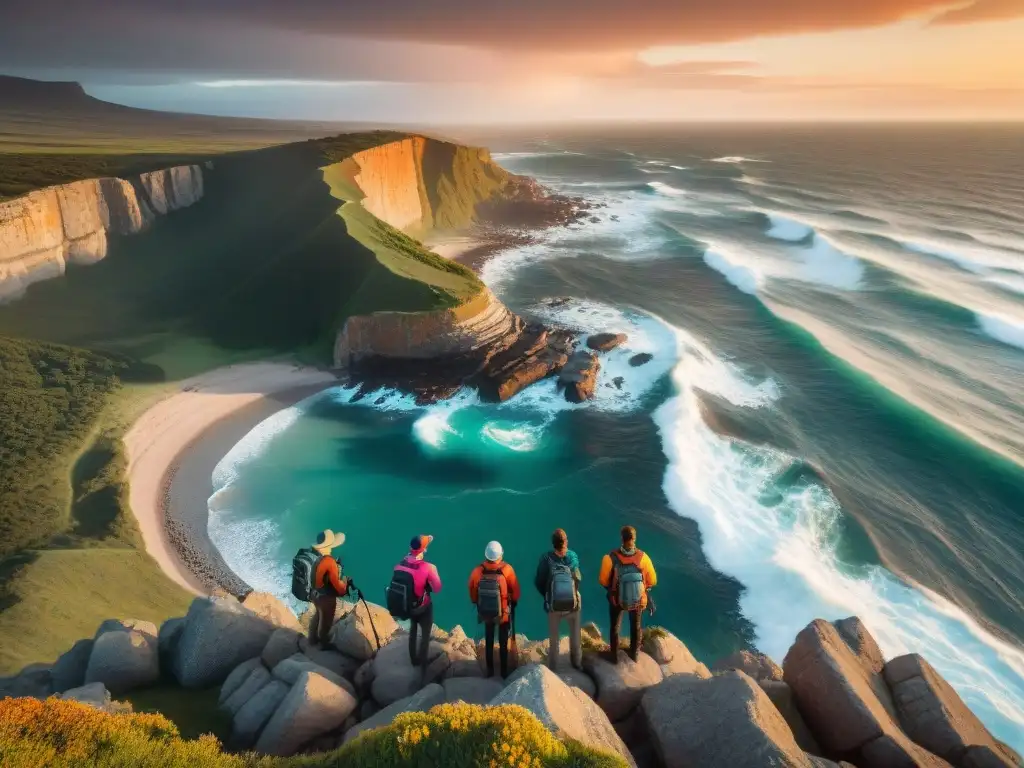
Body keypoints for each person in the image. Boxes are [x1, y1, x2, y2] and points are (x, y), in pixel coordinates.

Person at [598, 525, 657, 663]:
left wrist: (614, 589)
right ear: (634, 539)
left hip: (617, 600)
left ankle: (614, 657)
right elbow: (653, 581)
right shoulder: (644, 558)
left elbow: (602, 580)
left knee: (615, 627)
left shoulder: (610, 558)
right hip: (637, 601)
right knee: (636, 626)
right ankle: (634, 655)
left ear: (621, 538)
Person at [387, 534, 442, 678]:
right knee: (425, 634)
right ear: (424, 549)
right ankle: (422, 666)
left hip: (407, 606)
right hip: (422, 606)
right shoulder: (429, 567)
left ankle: (413, 660)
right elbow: (437, 588)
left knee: (413, 629)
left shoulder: (399, 565)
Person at [468, 541, 521, 678]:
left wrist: (476, 602)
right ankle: (504, 672)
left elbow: (472, 589)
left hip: (486, 612)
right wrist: (512, 602)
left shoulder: (477, 571)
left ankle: (490, 670)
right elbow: (516, 592)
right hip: (503, 614)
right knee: (503, 641)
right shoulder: (507, 570)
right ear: (500, 555)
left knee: (489, 638)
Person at [292, 529, 351, 648]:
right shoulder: (329, 562)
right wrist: (345, 581)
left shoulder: (310, 553)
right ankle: (324, 644)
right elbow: (338, 588)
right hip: (323, 596)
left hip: (312, 593)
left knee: (318, 615)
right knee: (326, 621)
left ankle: (312, 640)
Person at [534, 528, 582, 671]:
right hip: (573, 605)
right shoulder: (573, 557)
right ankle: (577, 664)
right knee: (575, 636)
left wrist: (548, 596)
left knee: (554, 640)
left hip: (554, 606)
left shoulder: (546, 559)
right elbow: (578, 577)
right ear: (565, 542)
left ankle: (553, 669)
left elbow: (539, 582)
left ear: (553, 544)